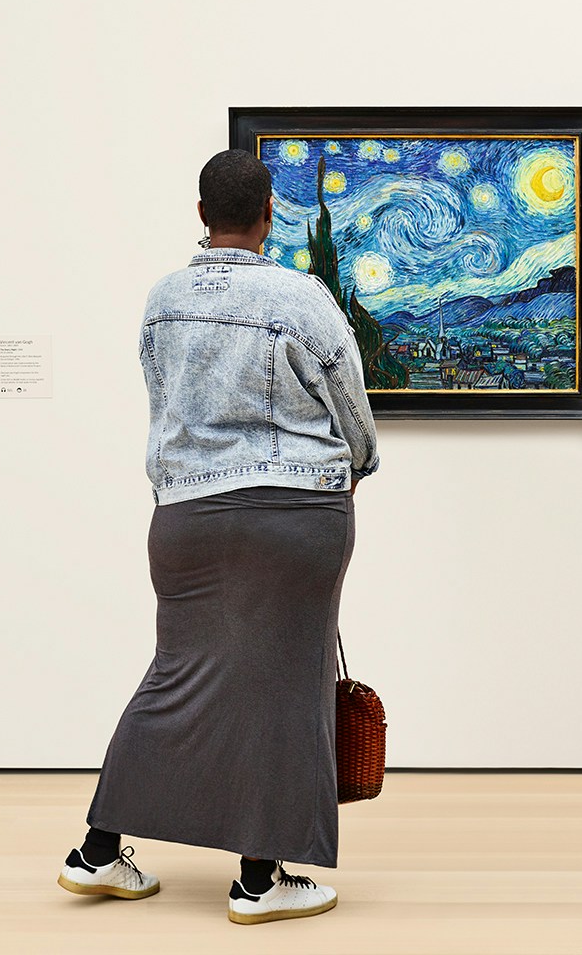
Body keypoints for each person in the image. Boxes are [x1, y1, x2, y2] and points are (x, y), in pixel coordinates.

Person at [55, 147, 381, 925]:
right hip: (295, 515)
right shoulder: (302, 298)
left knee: (176, 673)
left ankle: (98, 853)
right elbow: (349, 399)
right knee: (285, 686)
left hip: (187, 516)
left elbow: (161, 400)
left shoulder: (162, 300)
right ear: (270, 215)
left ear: (202, 215)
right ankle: (259, 880)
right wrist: (360, 464)